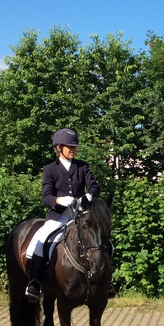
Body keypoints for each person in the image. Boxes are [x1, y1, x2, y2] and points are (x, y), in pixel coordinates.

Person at [24, 128, 103, 301]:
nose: (73, 150)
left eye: (74, 147)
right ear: (58, 148)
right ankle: (34, 282)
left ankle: (104, 281)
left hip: (80, 214)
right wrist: (59, 200)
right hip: (58, 216)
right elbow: (46, 196)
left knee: (102, 239)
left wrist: (89, 196)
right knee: (41, 239)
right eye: (69, 147)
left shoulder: (83, 166)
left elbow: (94, 187)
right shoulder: (50, 169)